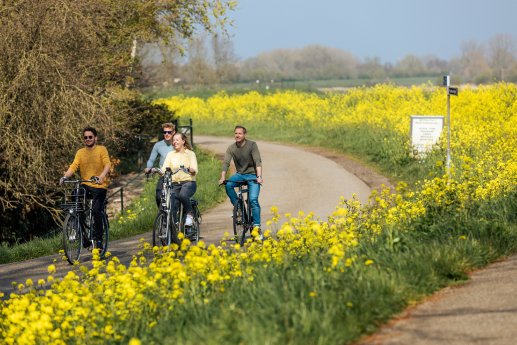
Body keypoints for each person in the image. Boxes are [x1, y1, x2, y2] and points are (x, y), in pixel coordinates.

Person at [60, 126, 111, 249]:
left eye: (90, 137)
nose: (87, 139)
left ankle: (98, 240)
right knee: (75, 198)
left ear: (95, 138)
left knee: (95, 211)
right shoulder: (80, 152)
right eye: (85, 137)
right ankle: (83, 236)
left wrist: (101, 176)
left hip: (99, 186)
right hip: (85, 185)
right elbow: (74, 166)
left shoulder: (101, 149)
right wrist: (65, 176)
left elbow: (107, 163)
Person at [218, 125, 263, 236]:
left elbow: (258, 161)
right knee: (228, 185)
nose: (237, 135)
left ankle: (257, 226)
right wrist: (223, 177)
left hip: (252, 175)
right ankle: (240, 209)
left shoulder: (252, 145)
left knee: (253, 200)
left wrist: (259, 176)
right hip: (240, 175)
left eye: (240, 133)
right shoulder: (231, 148)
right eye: (235, 133)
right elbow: (226, 163)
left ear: (244, 135)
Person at [161, 133, 198, 228]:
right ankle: (174, 227)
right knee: (172, 203)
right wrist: (156, 170)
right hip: (174, 183)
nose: (174, 142)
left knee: (183, 195)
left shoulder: (190, 153)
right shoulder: (170, 154)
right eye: (173, 140)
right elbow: (164, 168)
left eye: (177, 140)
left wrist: (191, 169)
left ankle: (189, 215)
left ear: (183, 141)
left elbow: (194, 169)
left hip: (188, 182)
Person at [144, 123, 176, 207]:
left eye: (169, 132)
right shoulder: (158, 145)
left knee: (175, 197)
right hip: (163, 174)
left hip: (176, 175)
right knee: (159, 196)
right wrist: (148, 167)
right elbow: (151, 159)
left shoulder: (177, 144)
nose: (166, 134)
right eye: (165, 132)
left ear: (173, 133)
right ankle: (163, 216)